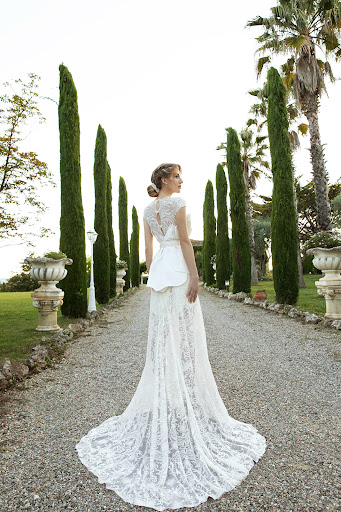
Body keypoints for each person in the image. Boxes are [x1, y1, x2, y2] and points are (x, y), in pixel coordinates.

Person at [76, 163, 266, 511]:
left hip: (161, 276)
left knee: (164, 337)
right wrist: (195, 278)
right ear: (164, 179)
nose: (181, 180)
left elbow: (148, 253)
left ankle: (175, 396)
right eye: (177, 175)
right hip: (179, 273)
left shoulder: (148, 209)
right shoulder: (178, 205)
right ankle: (182, 400)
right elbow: (184, 243)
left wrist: (152, 276)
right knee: (186, 337)